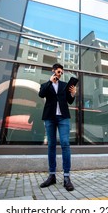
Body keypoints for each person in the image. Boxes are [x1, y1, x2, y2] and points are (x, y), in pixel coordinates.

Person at [38, 63, 77, 191]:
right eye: (59, 71)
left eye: (62, 72)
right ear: (53, 70)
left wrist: (72, 94)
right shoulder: (45, 85)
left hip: (63, 118)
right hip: (50, 117)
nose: (60, 74)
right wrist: (50, 82)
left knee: (65, 143)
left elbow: (69, 101)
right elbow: (41, 94)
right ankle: (52, 176)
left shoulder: (64, 85)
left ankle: (66, 177)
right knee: (51, 145)